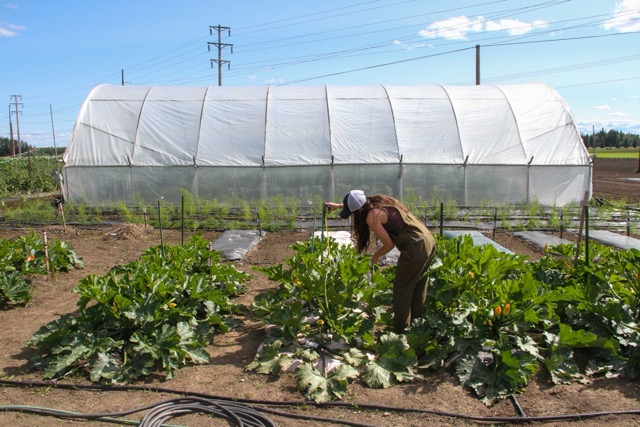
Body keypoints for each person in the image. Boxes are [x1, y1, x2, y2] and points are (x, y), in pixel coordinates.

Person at [324, 190, 437, 333]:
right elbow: (358, 204)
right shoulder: (381, 202)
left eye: (352, 213)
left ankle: (401, 332)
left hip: (415, 248)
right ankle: (418, 328)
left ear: (358, 211)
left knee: (401, 292)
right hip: (428, 241)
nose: (353, 216)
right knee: (419, 286)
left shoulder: (373, 217)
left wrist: (375, 256)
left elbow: (389, 245)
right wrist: (339, 206)